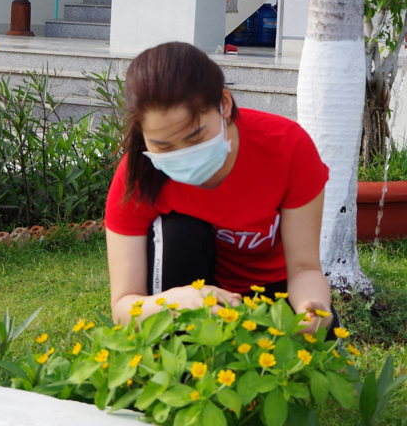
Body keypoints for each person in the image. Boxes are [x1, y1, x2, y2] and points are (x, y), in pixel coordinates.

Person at [104, 41, 334, 331]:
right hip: (193, 296)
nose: (182, 154)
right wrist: (177, 302)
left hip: (277, 290)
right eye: (163, 145)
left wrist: (311, 308)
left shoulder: (287, 147)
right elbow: (124, 307)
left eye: (195, 137)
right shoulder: (138, 175)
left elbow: (305, 267)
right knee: (178, 232)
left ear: (224, 104)